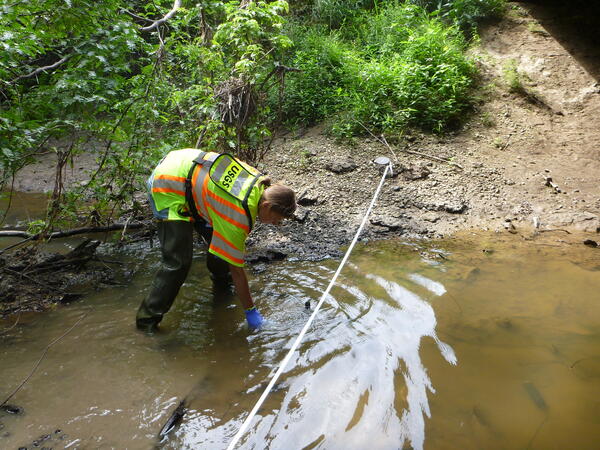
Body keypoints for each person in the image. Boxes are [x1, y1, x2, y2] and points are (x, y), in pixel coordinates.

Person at [136, 148, 296, 333]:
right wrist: (251, 311)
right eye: (278, 219)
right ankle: (146, 322)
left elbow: (225, 248)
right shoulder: (238, 216)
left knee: (221, 248)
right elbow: (237, 270)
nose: (277, 224)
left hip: (186, 165)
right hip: (168, 184)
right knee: (178, 262)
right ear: (267, 206)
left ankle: (222, 289)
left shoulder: (259, 182)